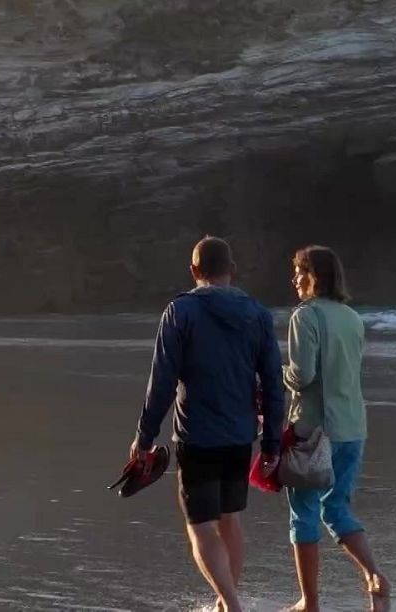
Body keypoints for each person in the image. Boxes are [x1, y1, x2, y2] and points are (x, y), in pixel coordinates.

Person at [132, 236, 285, 612]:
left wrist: (145, 436)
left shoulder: (180, 312)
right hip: (240, 436)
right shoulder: (258, 314)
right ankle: (225, 600)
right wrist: (271, 444)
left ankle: (231, 604)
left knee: (200, 524)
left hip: (196, 435)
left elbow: (163, 381)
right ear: (232, 270)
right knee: (230, 518)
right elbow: (272, 383)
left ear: (194, 271)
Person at [283, 245, 391, 612]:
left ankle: (309, 602)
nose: (294, 278)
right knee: (338, 508)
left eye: (299, 272)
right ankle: (374, 575)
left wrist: (276, 375)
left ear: (313, 276)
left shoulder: (306, 316)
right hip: (352, 425)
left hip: (314, 430)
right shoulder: (351, 317)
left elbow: (303, 375)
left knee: (304, 513)